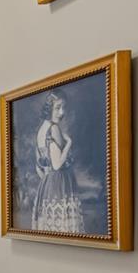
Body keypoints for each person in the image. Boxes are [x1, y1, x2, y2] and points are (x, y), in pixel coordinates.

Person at [32, 93, 84, 233]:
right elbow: (57, 165)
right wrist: (69, 143)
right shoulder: (53, 128)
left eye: (63, 108)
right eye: (58, 108)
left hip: (47, 186)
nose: (62, 112)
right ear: (49, 108)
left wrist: (48, 181)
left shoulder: (41, 131)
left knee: (51, 228)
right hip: (61, 183)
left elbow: (38, 167)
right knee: (64, 228)